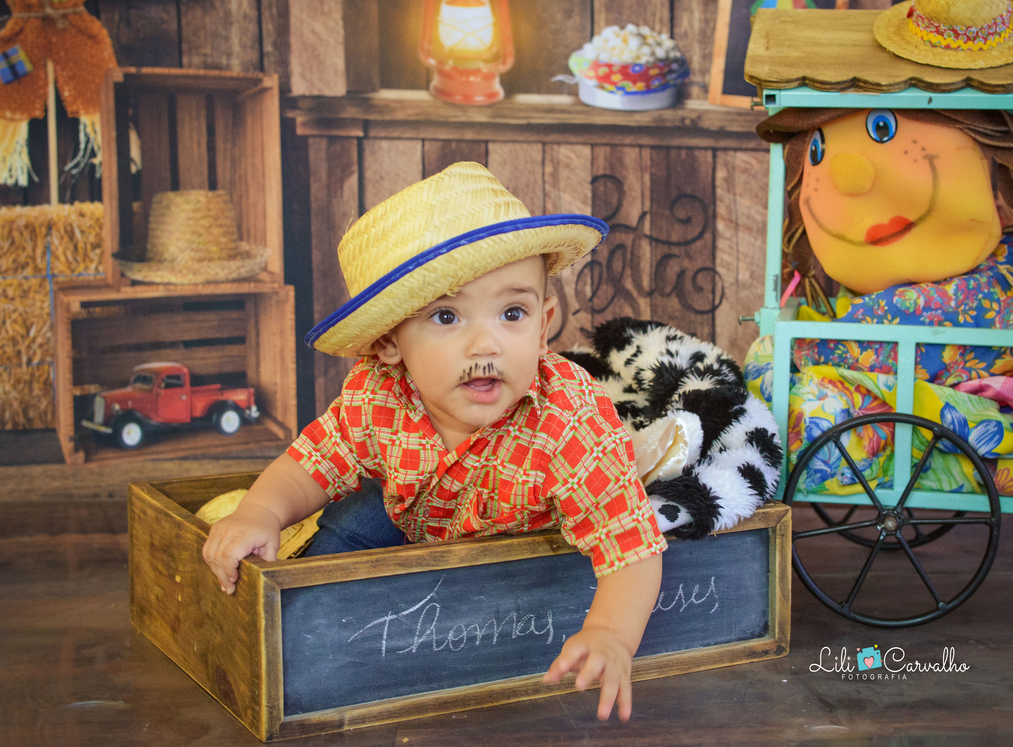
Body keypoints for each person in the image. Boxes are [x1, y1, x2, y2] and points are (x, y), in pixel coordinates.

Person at [201, 161, 666, 721]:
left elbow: (629, 544)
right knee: (353, 515)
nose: (485, 344)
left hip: (519, 560)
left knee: (534, 572)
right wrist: (260, 512)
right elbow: (313, 462)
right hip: (413, 517)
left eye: (512, 313)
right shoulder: (379, 394)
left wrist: (611, 632)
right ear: (390, 344)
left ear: (543, 326)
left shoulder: (569, 422)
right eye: (447, 316)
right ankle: (312, 630)